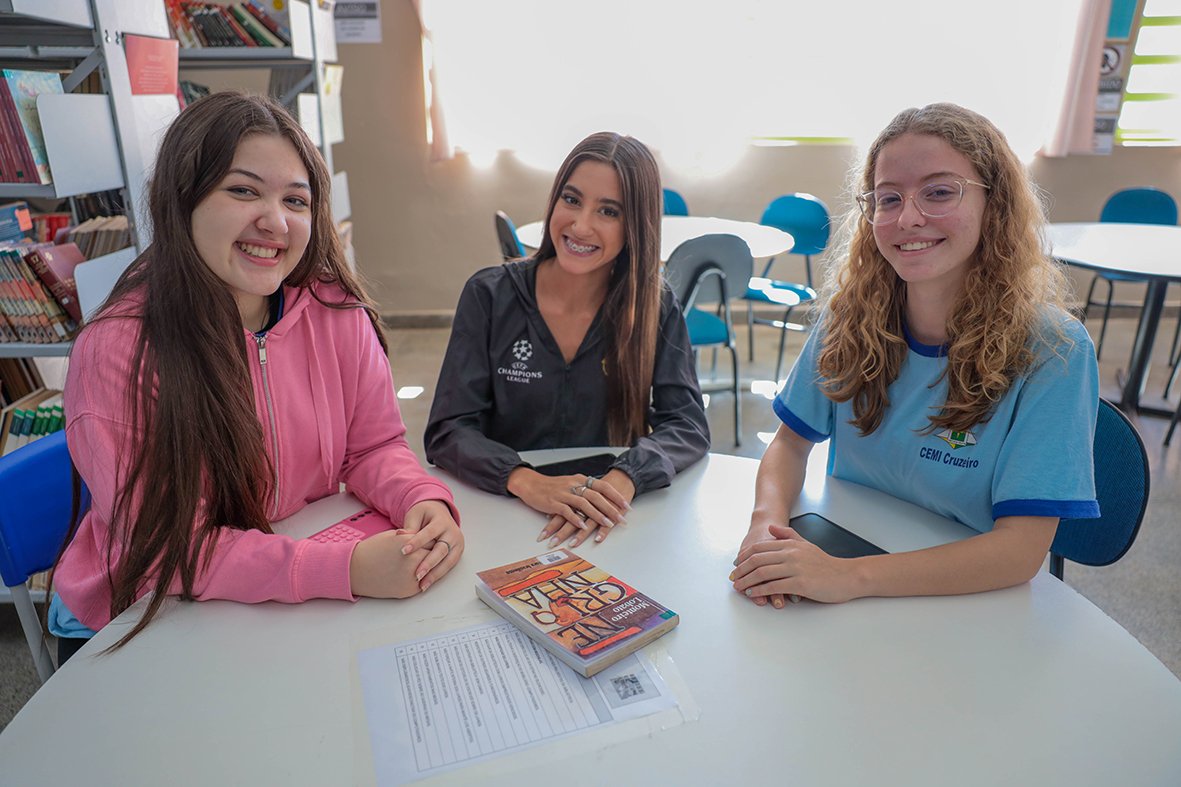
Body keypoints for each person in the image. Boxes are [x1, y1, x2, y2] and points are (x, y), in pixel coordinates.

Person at [52, 92, 463, 659]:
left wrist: (421, 498)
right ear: (182, 201)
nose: (275, 222)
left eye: (296, 199)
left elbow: (373, 447)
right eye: (243, 190)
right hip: (139, 620)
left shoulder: (333, 305)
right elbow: (166, 552)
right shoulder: (119, 350)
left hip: (277, 583)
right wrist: (340, 568)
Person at [731, 103, 1099, 608]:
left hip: (961, 597)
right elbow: (791, 444)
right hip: (846, 558)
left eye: (940, 192)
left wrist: (850, 578)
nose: (908, 218)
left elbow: (1020, 552)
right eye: (888, 199)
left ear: (995, 204)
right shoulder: (850, 316)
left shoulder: (1053, 350)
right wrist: (765, 526)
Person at [424, 132, 709, 549]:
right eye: (571, 200)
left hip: (605, 521)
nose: (581, 225)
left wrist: (627, 477)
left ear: (636, 227)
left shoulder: (654, 306)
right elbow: (449, 430)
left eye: (609, 211)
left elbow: (687, 424)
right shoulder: (489, 296)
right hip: (504, 509)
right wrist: (524, 480)